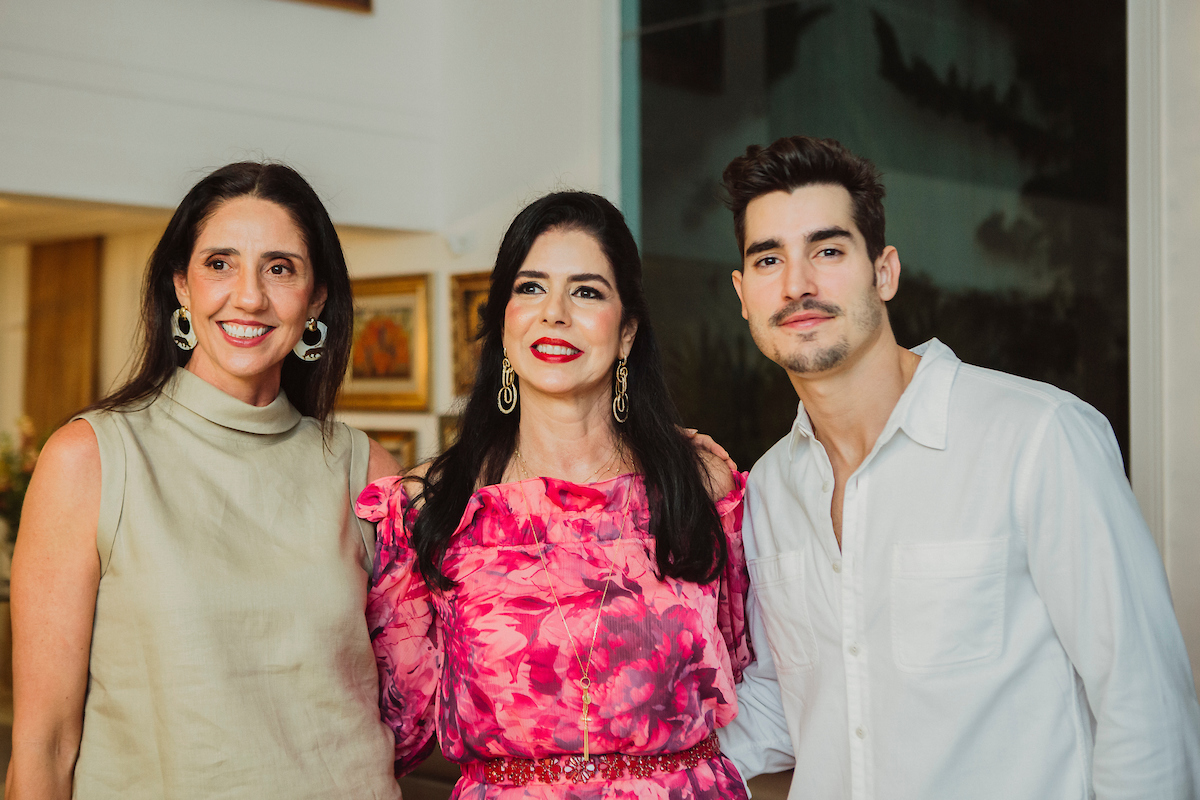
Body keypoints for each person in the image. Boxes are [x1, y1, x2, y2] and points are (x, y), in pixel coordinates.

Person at [715, 135, 1200, 799]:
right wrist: (601, 758)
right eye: (769, 259)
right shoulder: (771, 488)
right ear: (744, 295)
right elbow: (785, 703)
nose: (797, 283)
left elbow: (1143, 703)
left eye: (828, 250)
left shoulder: (1037, 438)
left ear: (884, 272)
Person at [7, 162, 403, 799]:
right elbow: (43, 746)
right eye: (220, 263)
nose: (249, 296)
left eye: (281, 268)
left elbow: (412, 697)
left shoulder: (364, 472)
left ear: (318, 297)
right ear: (181, 287)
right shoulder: (93, 458)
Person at [358, 191, 753, 798]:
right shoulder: (430, 507)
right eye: (531, 287)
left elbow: (752, 678)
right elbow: (388, 731)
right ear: (503, 323)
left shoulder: (697, 486)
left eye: (587, 291)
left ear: (626, 333)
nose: (556, 313)